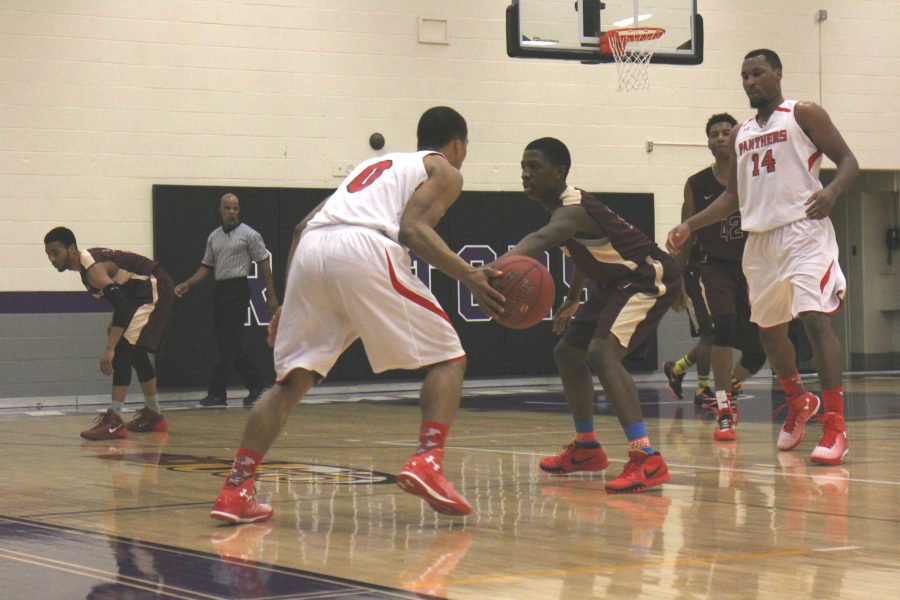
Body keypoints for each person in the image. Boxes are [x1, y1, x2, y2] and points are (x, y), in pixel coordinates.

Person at [210, 106, 505, 523]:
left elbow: (299, 228)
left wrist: (289, 301)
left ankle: (234, 490)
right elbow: (413, 230)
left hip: (313, 250)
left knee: (291, 382)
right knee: (449, 357)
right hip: (364, 247)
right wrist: (470, 276)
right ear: (458, 144)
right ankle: (427, 461)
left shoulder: (373, 165)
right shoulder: (446, 170)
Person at [667, 49, 858, 465]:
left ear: (778, 73)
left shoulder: (803, 113)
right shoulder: (741, 133)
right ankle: (797, 401)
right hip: (760, 242)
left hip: (804, 232)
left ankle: (835, 425)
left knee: (813, 319)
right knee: (770, 331)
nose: (750, 81)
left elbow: (848, 161)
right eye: (744, 75)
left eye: (757, 73)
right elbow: (734, 197)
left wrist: (832, 191)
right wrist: (690, 226)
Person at [505, 137, 680, 494]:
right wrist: (571, 299)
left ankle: (646, 457)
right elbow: (585, 255)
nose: (525, 174)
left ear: (559, 172)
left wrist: (490, 271)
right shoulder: (562, 210)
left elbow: (542, 239)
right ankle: (586, 448)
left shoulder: (571, 209)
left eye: (534, 168)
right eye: (523, 167)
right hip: (612, 284)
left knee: (603, 354)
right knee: (567, 354)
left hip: (644, 276)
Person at [666, 113, 767, 441]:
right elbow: (684, 235)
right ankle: (724, 409)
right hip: (710, 267)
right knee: (720, 327)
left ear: (738, 140)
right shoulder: (697, 183)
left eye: (727, 132)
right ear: (708, 142)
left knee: (758, 351)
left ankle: (729, 389)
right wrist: (677, 279)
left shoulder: (755, 176)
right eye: (715, 134)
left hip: (751, 267)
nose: (721, 137)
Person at [43, 227, 174, 440]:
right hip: (138, 294)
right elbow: (121, 298)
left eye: (55, 252)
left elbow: (122, 305)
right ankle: (155, 415)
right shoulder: (87, 268)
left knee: (122, 346)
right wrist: (115, 325)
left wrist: (109, 348)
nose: (52, 258)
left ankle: (115, 420)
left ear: (72, 249)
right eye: (48, 254)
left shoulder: (92, 269)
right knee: (135, 349)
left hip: (154, 286)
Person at [175, 193, 280, 407]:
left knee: (229, 342)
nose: (231, 212)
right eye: (227, 208)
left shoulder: (249, 235)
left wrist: (271, 294)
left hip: (238, 288)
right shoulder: (214, 237)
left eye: (235, 208)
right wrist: (188, 283)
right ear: (220, 210)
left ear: (239, 210)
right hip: (220, 289)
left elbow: (263, 261)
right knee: (228, 344)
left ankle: (217, 392)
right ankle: (258, 384)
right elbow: (206, 267)